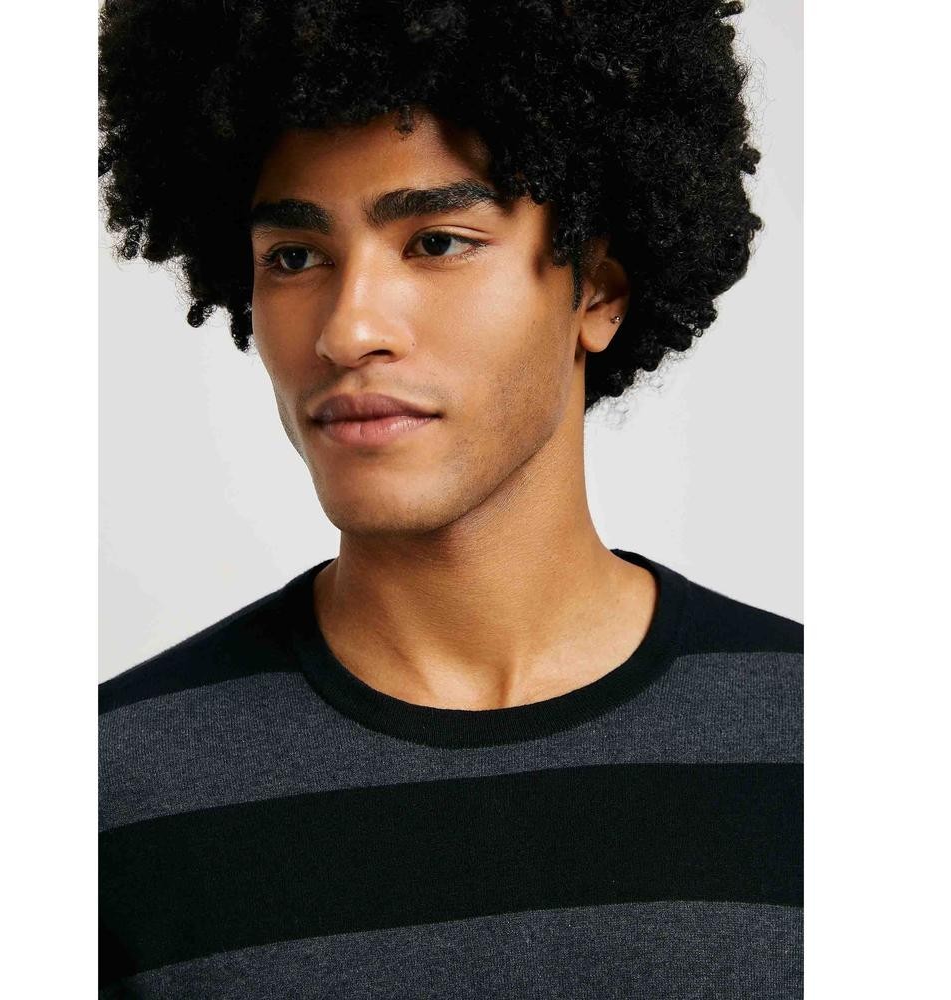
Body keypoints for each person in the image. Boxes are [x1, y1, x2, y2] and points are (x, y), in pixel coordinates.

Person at [98, 1, 802, 997]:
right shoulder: (106, 794)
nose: (348, 331)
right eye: (294, 257)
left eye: (435, 242)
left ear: (597, 290)